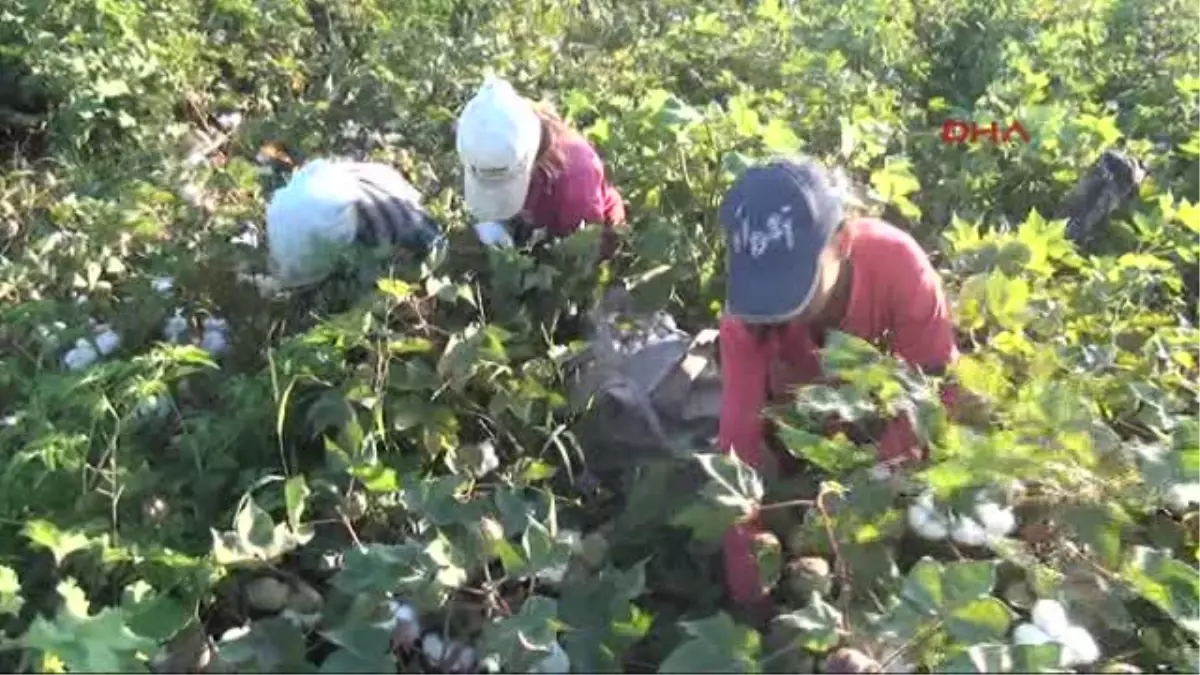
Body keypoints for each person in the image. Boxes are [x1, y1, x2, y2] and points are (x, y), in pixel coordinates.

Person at [714, 157, 961, 616]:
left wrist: (871, 490)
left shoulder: (898, 265)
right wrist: (746, 563)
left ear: (842, 241)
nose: (782, 309)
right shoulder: (745, 317)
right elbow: (737, 444)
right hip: (799, 410)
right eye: (766, 294)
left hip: (879, 411)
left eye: (794, 287)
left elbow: (933, 391)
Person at [455, 74, 626, 258]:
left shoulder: (576, 175)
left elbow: (587, 250)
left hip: (577, 238)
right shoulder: (478, 139)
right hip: (533, 222)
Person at [264, 158, 444, 291]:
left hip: (384, 214)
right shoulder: (298, 211)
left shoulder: (401, 224)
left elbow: (434, 247)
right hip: (332, 208)